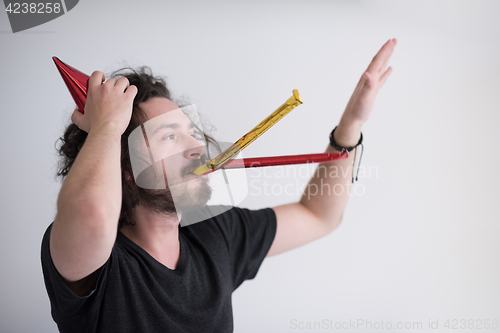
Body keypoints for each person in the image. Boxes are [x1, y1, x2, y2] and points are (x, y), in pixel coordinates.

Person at [41, 39, 397, 332]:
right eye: (169, 136)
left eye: (191, 132)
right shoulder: (97, 262)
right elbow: (91, 211)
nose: (197, 147)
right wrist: (106, 126)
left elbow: (318, 215)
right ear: (126, 168)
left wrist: (350, 126)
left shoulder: (214, 234)